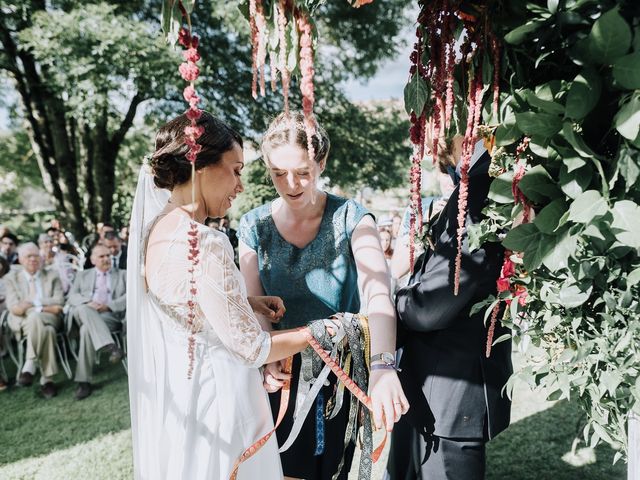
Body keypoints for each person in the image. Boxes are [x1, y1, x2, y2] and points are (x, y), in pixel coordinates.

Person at [127, 112, 316, 480]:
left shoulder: (157, 229)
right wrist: (324, 332)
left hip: (182, 398)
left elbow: (184, 304)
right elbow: (252, 347)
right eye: (236, 170)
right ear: (200, 165)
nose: (240, 186)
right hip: (222, 402)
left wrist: (243, 303)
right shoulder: (205, 242)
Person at [239, 111, 409, 480]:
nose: (291, 183)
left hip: (341, 369)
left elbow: (379, 292)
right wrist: (267, 358)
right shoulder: (253, 226)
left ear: (322, 162)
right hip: (279, 371)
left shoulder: (352, 217)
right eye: (278, 173)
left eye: (303, 171)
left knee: (331, 470)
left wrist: (382, 367)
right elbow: (255, 307)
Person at [385, 125, 512, 480]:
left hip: (452, 394)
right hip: (433, 388)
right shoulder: (477, 186)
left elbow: (431, 305)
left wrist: (393, 302)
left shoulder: (479, 192)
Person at [4, 243, 64, 399]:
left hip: (50, 318)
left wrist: (32, 304)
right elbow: (14, 308)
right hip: (24, 321)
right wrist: (44, 305)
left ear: (41, 257)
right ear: (21, 260)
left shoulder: (52, 275)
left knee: (36, 316)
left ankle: (29, 363)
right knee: (47, 331)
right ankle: (47, 381)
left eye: (35, 255)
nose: (32, 259)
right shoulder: (11, 279)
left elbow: (59, 301)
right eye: (28, 256)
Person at [67, 244, 126, 400]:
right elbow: (72, 297)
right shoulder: (82, 275)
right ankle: (111, 346)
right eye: (101, 256)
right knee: (83, 309)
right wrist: (89, 302)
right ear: (93, 260)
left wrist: (108, 306)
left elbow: (130, 296)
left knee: (86, 331)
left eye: (108, 255)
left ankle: (83, 382)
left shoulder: (122, 275)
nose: (106, 259)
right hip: (86, 312)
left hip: (109, 316)